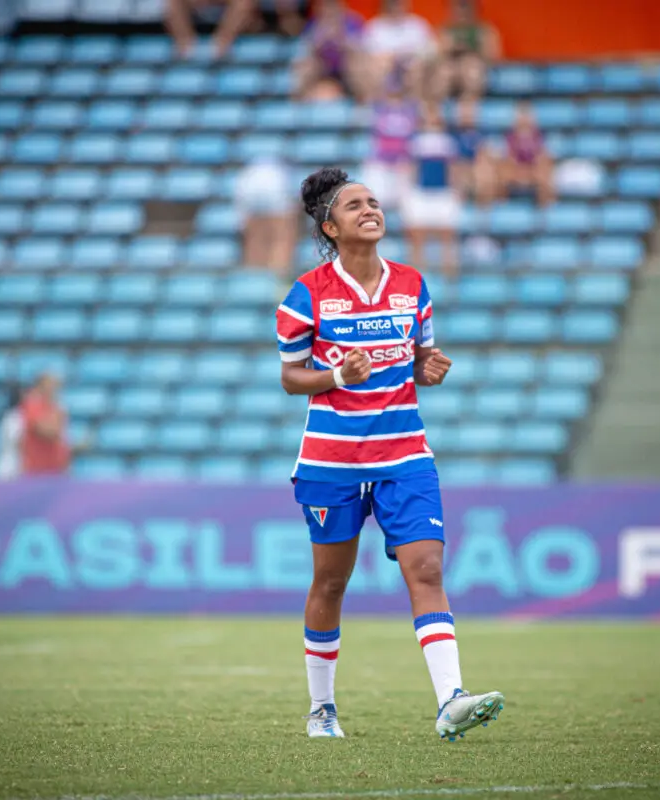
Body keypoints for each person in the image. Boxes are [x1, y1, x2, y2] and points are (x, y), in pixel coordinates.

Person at [276, 166, 504, 741]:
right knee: (330, 584)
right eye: (355, 206)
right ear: (330, 227)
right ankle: (321, 708)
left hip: (404, 455)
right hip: (332, 463)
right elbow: (290, 377)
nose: (370, 210)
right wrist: (334, 374)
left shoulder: (413, 284)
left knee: (426, 569)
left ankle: (451, 699)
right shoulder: (306, 294)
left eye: (374, 202)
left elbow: (420, 358)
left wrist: (429, 368)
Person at [402, 104, 462, 277]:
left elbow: (453, 168)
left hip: (442, 191)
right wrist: (409, 189)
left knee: (447, 235)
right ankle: (417, 274)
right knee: (417, 235)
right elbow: (412, 167)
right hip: (422, 192)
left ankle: (449, 276)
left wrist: (455, 188)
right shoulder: (416, 141)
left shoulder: (448, 141)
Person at [359, 68, 419, 213]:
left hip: (403, 165)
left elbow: (413, 140)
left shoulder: (412, 109)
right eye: (391, 92)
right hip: (379, 164)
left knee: (410, 208)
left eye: (398, 93)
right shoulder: (376, 108)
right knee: (370, 204)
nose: (394, 97)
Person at [292, 0, 372, 103]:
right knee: (303, 67)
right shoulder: (313, 24)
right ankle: (299, 104)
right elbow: (306, 48)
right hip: (322, 65)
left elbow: (361, 48)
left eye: (332, 6)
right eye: (326, 7)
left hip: (345, 64)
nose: (329, 10)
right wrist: (320, 41)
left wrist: (341, 39)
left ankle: (364, 103)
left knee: (359, 65)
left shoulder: (353, 22)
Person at [233, 155, 296, 279]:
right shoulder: (278, 169)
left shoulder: (250, 171)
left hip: (249, 177)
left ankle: (257, 282)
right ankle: (277, 279)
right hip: (275, 177)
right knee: (281, 236)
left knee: (254, 238)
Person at [363, 0, 436, 99]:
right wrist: (388, 59)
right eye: (392, 3)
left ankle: (416, 105)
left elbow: (431, 49)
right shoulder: (375, 26)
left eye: (399, 3)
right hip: (384, 68)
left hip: (413, 66)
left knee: (418, 68)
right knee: (376, 67)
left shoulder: (418, 25)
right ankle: (377, 106)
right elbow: (366, 52)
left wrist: (412, 57)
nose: (396, 6)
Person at [431, 0, 500, 103]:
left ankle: (467, 109)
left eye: (465, 6)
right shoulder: (444, 30)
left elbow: (493, 56)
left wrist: (473, 50)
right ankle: (437, 111)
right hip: (450, 66)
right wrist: (450, 48)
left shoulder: (485, 30)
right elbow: (436, 56)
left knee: (472, 72)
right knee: (442, 74)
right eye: (458, 6)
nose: (462, 10)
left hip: (474, 66)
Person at [504, 101, 556, 207]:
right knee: (503, 172)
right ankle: (503, 207)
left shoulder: (540, 137)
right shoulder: (509, 137)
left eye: (527, 115)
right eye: (522, 115)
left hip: (534, 171)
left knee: (544, 172)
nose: (524, 119)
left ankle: (545, 208)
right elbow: (509, 159)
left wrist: (531, 172)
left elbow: (542, 158)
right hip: (515, 171)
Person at [21, 373, 72, 476]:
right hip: (37, 470)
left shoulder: (56, 406)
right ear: (40, 386)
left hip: (57, 468)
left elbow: (61, 437)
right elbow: (47, 432)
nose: (54, 388)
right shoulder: (32, 405)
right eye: (50, 384)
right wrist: (57, 418)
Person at [165, 0, 254, 58]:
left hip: (247, 35)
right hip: (194, 37)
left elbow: (245, 6)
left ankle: (222, 43)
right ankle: (185, 45)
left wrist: (222, 40)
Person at [0, 385, 25, 480]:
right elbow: (17, 441)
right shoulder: (13, 418)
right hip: (10, 468)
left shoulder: (18, 416)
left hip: (17, 467)